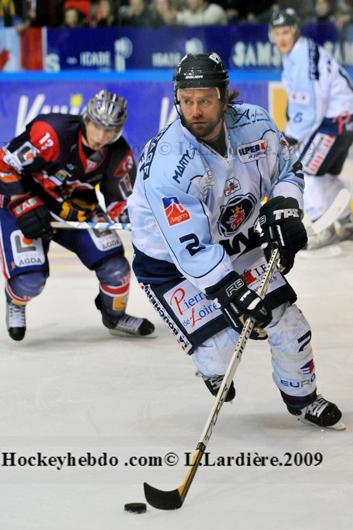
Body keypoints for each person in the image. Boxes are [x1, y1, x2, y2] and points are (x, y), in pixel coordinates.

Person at [128, 52, 344, 429]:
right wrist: (229, 289)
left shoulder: (255, 123)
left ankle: (303, 398)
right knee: (223, 352)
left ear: (224, 97)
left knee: (290, 325)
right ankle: (209, 359)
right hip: (170, 263)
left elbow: (288, 168)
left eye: (205, 99)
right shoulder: (168, 161)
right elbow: (189, 248)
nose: (194, 110)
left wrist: (284, 208)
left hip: (237, 243)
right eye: (186, 100)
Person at [0, 89, 155, 341]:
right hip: (26, 206)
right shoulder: (51, 133)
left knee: (116, 269)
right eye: (97, 126)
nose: (101, 136)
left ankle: (115, 317)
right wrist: (22, 201)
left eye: (110, 130)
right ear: (86, 119)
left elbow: (123, 202)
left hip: (75, 211)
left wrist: (137, 218)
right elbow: (4, 163)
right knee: (29, 281)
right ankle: (16, 301)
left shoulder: (119, 155)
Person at [270, 8, 353, 248]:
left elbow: (312, 107)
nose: (282, 37)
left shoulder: (304, 57)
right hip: (342, 121)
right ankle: (346, 223)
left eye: (286, 31)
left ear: (295, 31)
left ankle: (321, 227)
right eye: (278, 33)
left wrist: (292, 136)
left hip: (334, 122)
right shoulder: (300, 52)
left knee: (304, 169)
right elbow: (301, 104)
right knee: (324, 174)